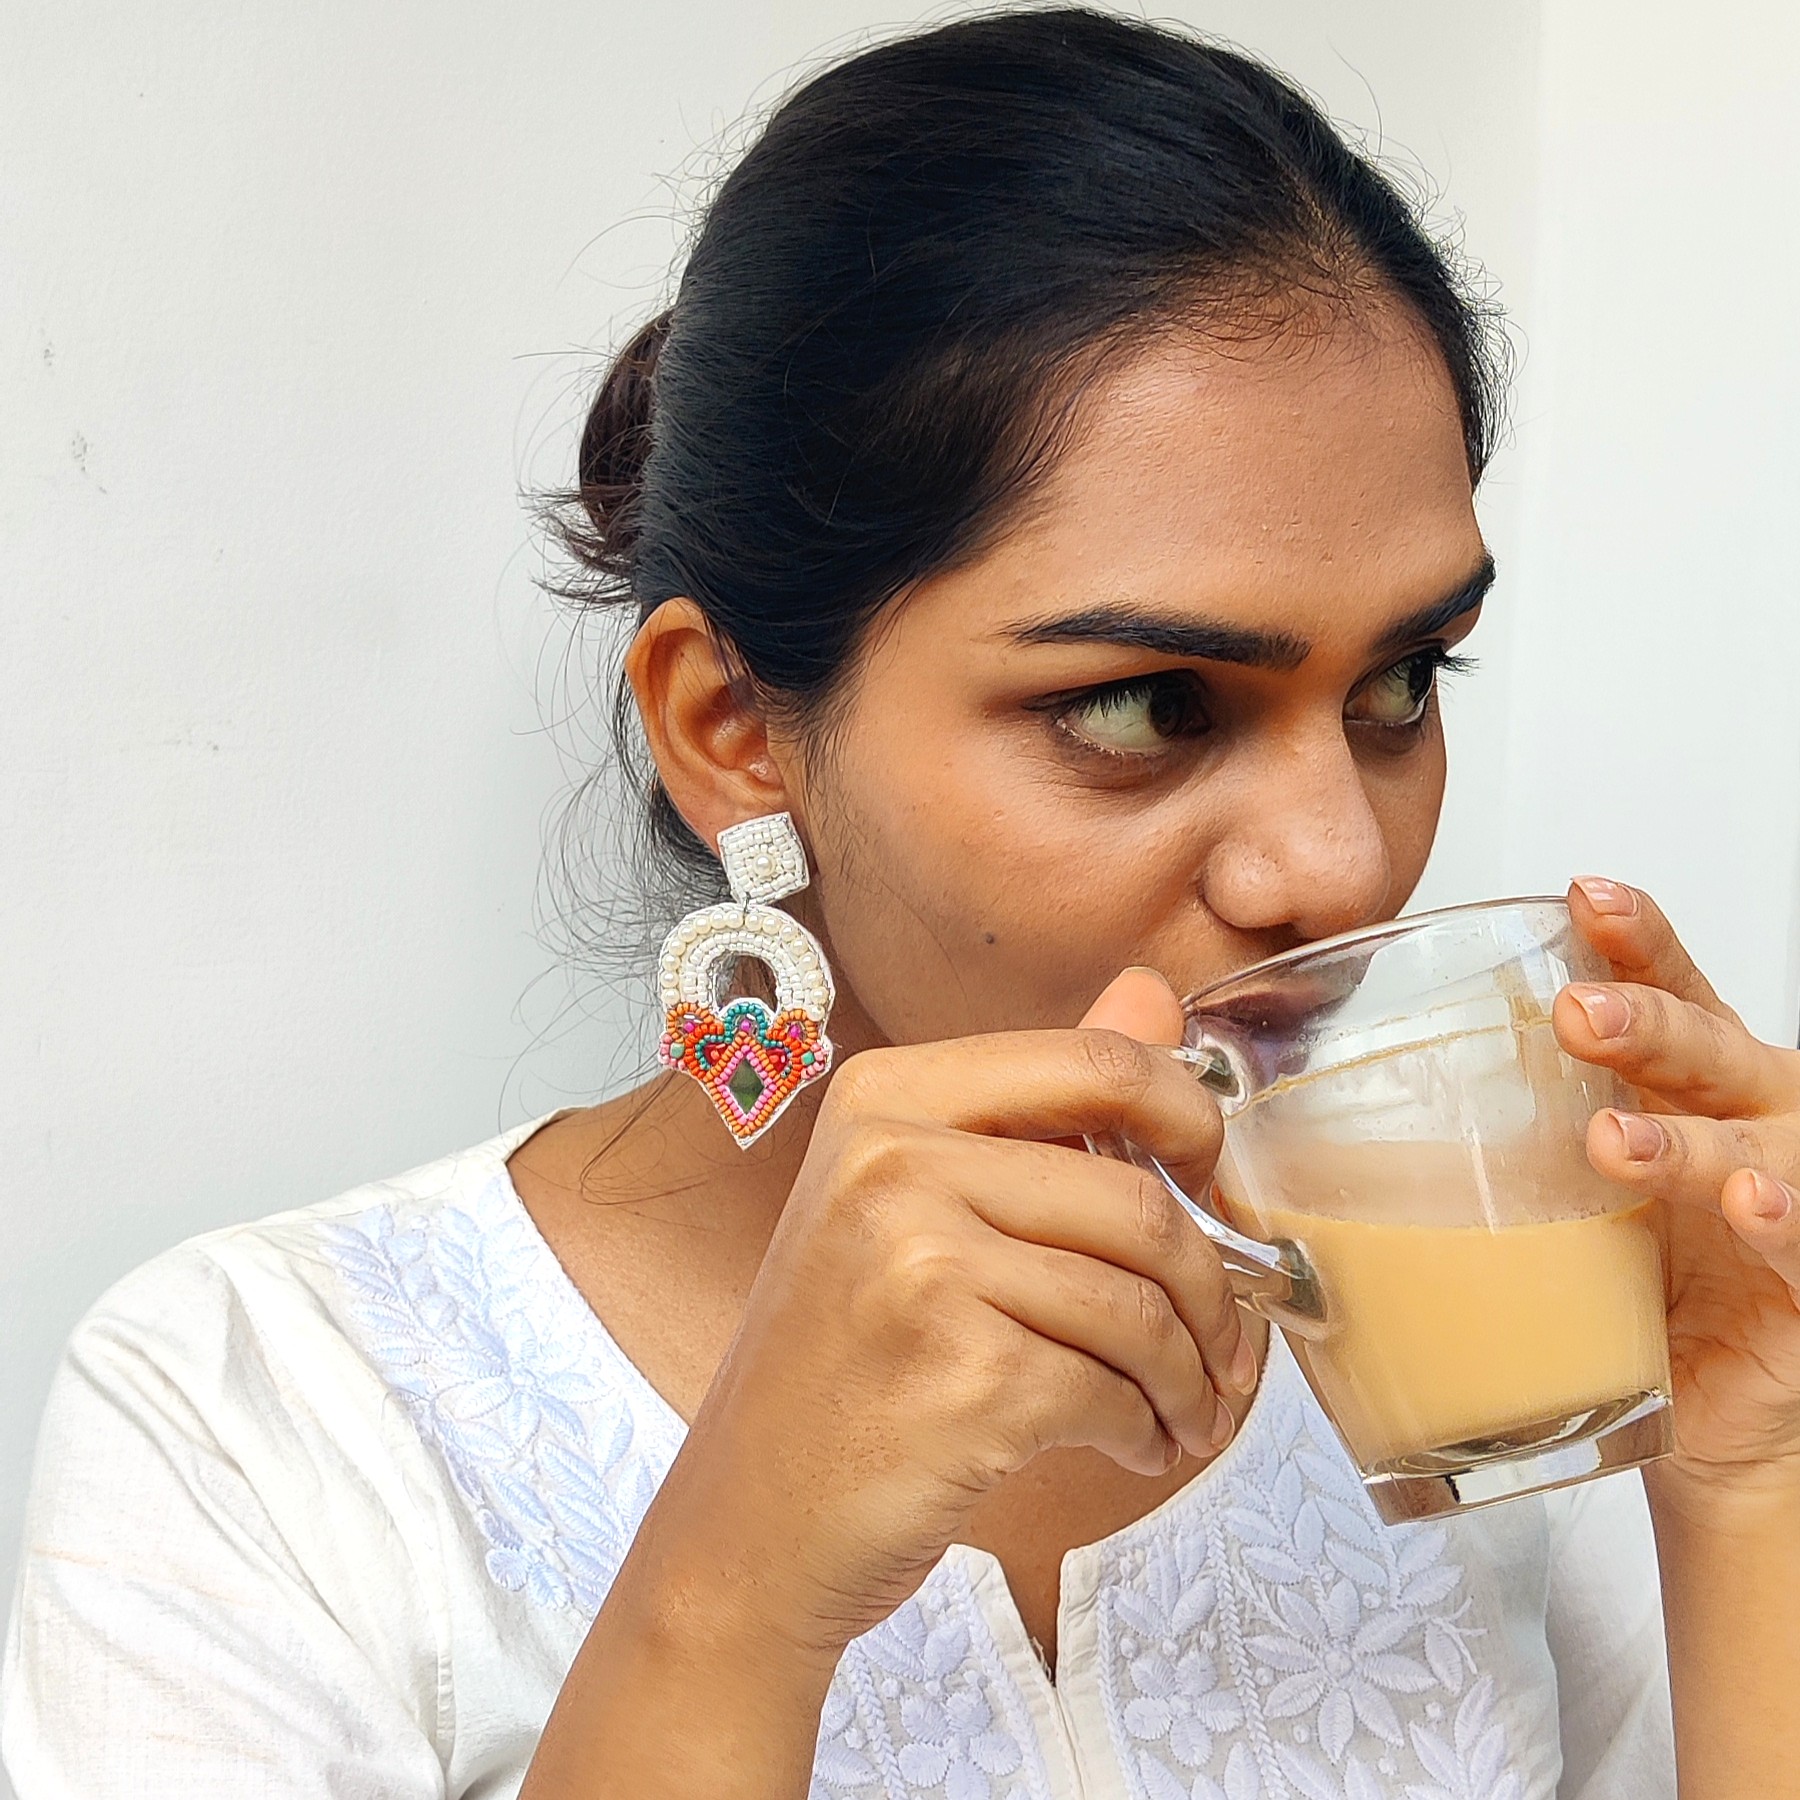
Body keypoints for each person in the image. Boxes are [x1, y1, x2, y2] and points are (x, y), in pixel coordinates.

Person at [7, 10, 1800, 1797]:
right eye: (1141, 708)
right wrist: (733, 1592)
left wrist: (1751, 1478)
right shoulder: (263, 1421)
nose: (1338, 860)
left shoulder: (1500, 1368)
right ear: (732, 733)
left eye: (1402, 681)